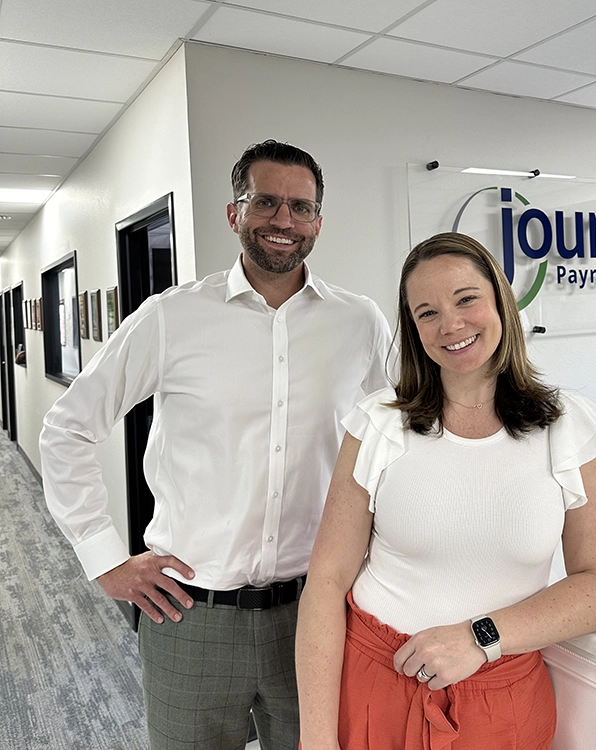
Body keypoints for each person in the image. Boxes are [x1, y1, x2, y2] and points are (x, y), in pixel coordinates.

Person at [40, 140, 393, 750]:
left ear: (318, 221)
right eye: (267, 203)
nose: (285, 221)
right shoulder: (171, 317)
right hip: (189, 616)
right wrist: (104, 559)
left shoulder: (359, 323)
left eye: (302, 208)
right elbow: (66, 427)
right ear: (235, 213)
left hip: (316, 612)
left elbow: (401, 441)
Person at [296, 232, 596, 749]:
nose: (450, 325)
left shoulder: (568, 426)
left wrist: (481, 636)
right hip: (374, 683)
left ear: (500, 299)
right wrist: (316, 737)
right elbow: (326, 580)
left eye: (466, 299)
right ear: (412, 328)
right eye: (426, 312)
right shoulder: (379, 423)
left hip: (502, 701)